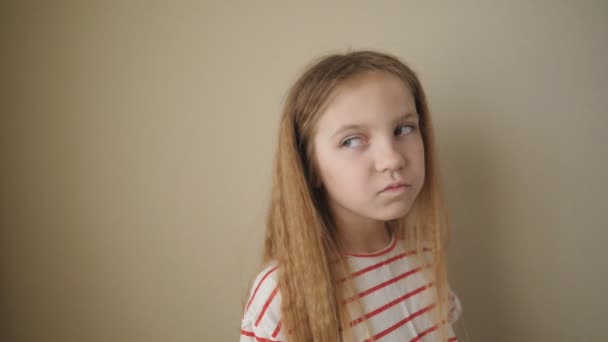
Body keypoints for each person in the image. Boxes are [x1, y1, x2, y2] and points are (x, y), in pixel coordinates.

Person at [239, 50, 462, 342]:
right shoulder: (283, 295)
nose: (392, 160)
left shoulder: (423, 259)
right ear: (310, 167)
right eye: (352, 140)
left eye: (403, 128)